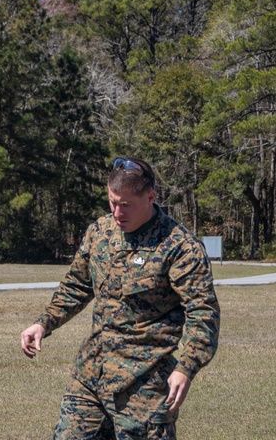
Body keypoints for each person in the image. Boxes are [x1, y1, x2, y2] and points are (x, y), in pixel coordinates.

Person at [20, 157, 220, 439]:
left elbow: (203, 312)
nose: (117, 212)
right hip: (91, 375)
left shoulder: (180, 247)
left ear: (150, 197)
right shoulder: (100, 232)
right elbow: (76, 286)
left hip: (144, 384)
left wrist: (186, 367)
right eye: (112, 202)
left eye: (126, 205)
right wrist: (43, 323)